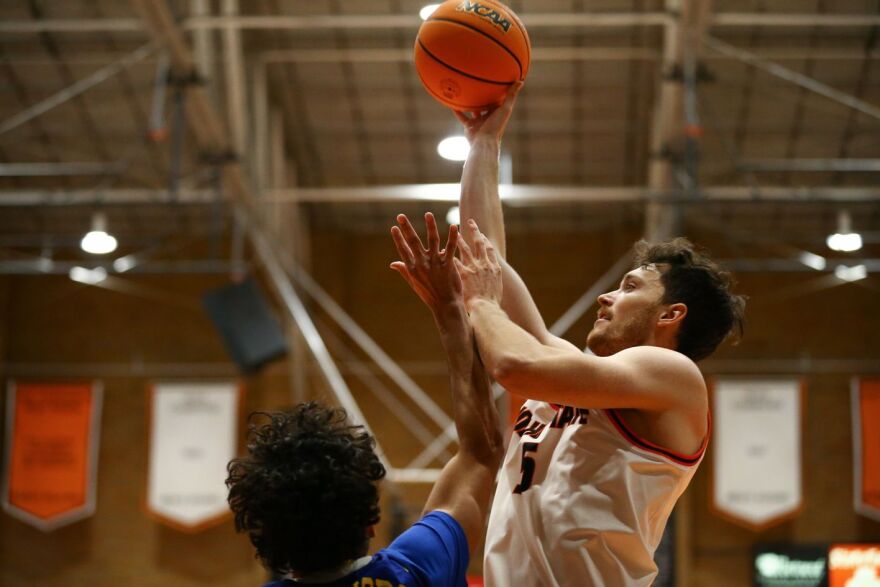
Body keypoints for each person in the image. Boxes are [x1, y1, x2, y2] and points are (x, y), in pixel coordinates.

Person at [452, 84, 746, 586]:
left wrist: (478, 302)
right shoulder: (571, 370)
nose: (605, 298)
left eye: (630, 287)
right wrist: (485, 142)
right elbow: (485, 259)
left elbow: (511, 365)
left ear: (671, 314)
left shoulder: (673, 375)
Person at [226, 213, 503, 587]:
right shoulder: (417, 567)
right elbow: (481, 450)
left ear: (263, 536)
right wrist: (450, 309)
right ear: (370, 523)